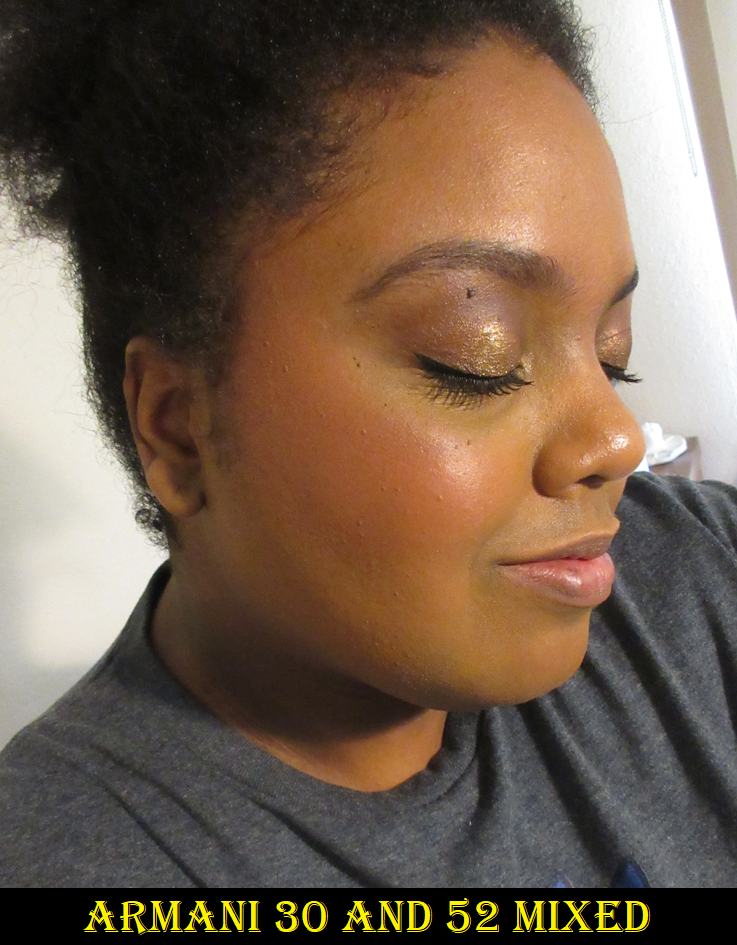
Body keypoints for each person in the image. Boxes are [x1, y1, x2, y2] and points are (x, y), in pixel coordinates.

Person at [0, 0, 736, 889]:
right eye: (477, 358)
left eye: (611, 354)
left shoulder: (697, 571)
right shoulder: (65, 856)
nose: (614, 438)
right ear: (179, 426)